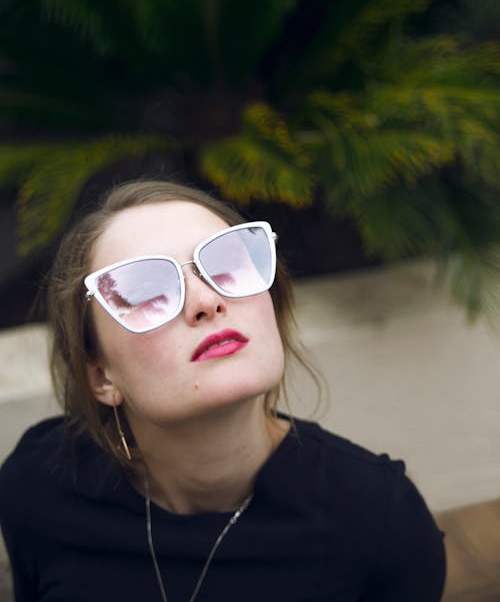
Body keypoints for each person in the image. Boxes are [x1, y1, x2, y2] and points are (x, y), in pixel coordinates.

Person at [0, 179, 446, 602]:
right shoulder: (39, 485)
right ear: (101, 376)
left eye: (230, 262)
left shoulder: (382, 522)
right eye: (144, 291)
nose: (206, 301)